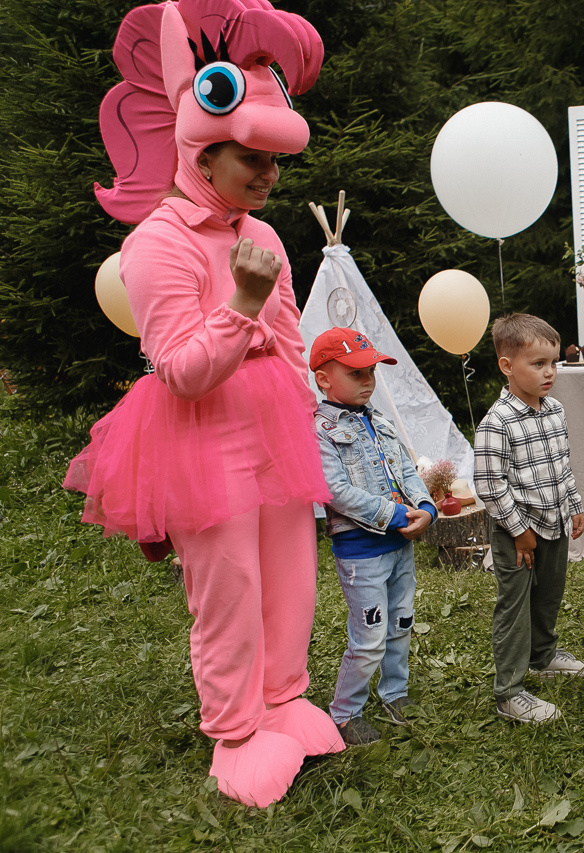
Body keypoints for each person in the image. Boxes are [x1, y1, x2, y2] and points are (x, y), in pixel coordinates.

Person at [63, 0, 338, 808]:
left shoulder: (268, 235)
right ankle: (235, 729)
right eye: (248, 157)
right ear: (200, 150)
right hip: (200, 436)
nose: (266, 174)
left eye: (273, 160)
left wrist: (303, 408)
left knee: (290, 576)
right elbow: (182, 370)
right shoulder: (158, 242)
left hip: (272, 432)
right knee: (227, 587)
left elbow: (289, 342)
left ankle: (284, 698)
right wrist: (242, 305)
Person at [311, 328, 436, 745]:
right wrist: (398, 513)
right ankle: (345, 713)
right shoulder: (319, 431)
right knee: (368, 638)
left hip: (399, 546)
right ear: (324, 378)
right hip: (362, 552)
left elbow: (405, 469)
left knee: (401, 622)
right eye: (356, 372)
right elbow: (337, 492)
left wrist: (427, 508)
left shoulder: (378, 421)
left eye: (372, 372)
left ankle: (395, 692)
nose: (368, 381)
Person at [475, 314, 584, 725]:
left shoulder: (554, 410)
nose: (550, 373)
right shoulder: (497, 422)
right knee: (516, 605)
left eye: (553, 363)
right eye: (538, 364)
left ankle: (543, 655)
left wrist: (574, 504)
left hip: (554, 521)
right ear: (507, 366)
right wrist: (520, 533)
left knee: (549, 594)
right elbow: (489, 484)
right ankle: (509, 690)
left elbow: (561, 464)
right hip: (516, 531)